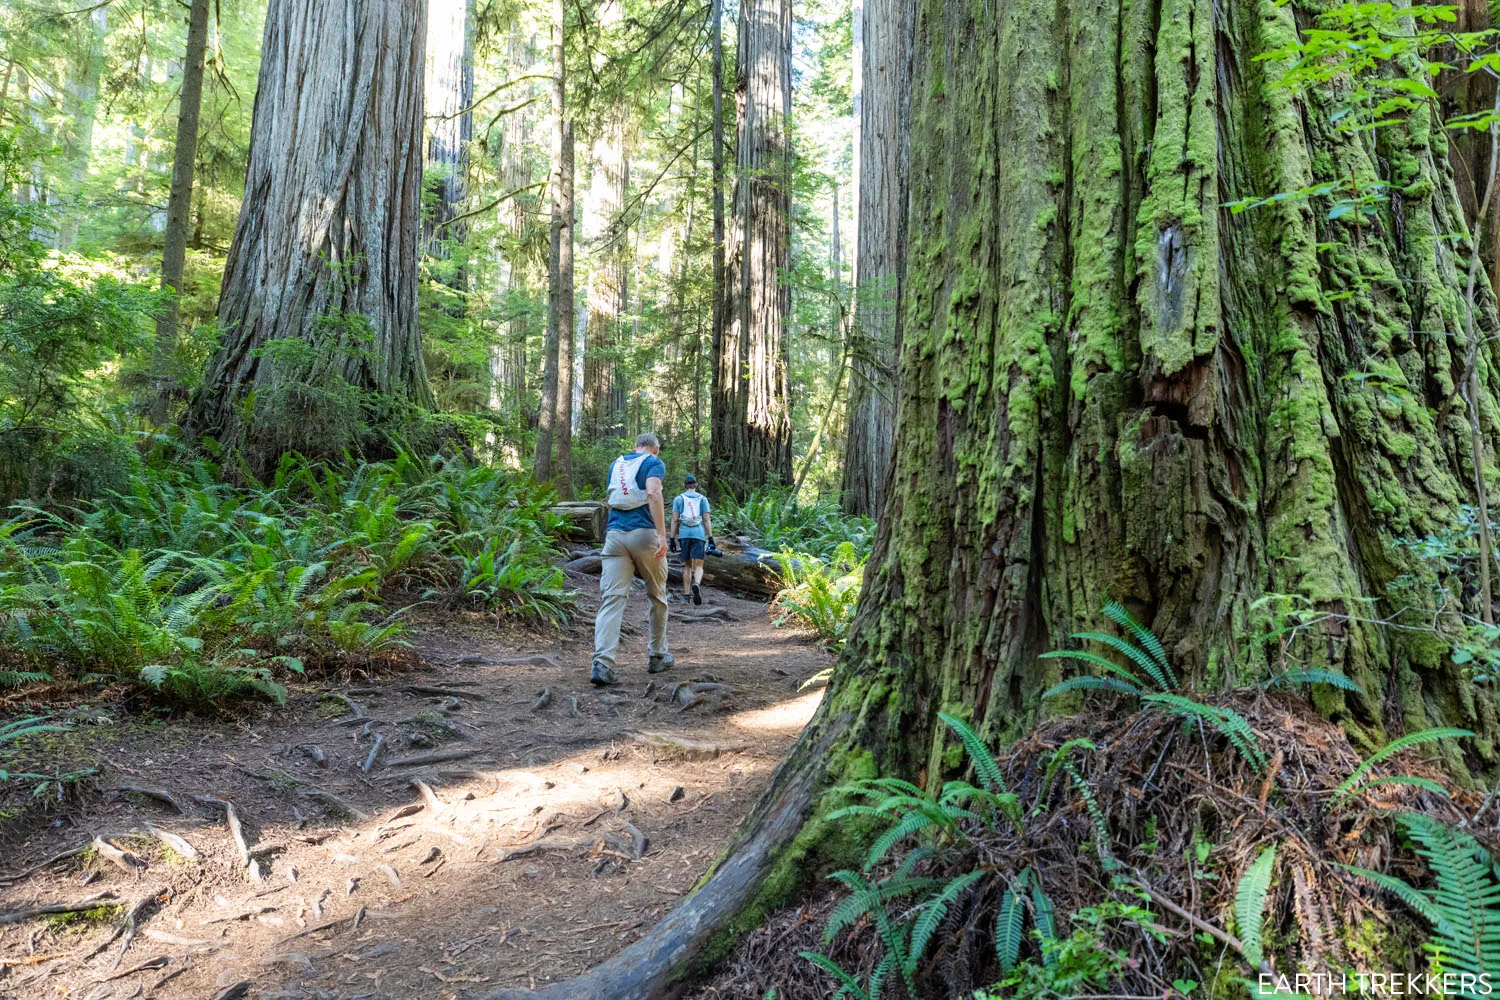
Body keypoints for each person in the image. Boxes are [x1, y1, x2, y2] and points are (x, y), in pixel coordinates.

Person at [591, 433, 673, 686]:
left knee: (611, 599)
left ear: (635, 446)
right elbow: (653, 493)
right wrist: (662, 534)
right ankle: (658, 655)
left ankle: (602, 663)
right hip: (644, 535)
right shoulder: (653, 462)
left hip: (615, 535)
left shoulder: (616, 465)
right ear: (655, 449)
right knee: (657, 594)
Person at [669, 474, 714, 605]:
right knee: (699, 565)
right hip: (698, 534)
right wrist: (710, 537)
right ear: (696, 485)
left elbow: (675, 519)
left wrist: (672, 538)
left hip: (684, 535)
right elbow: (706, 519)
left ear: (685, 485)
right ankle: (697, 584)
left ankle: (686, 596)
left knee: (688, 566)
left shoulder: (679, 499)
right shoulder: (703, 499)